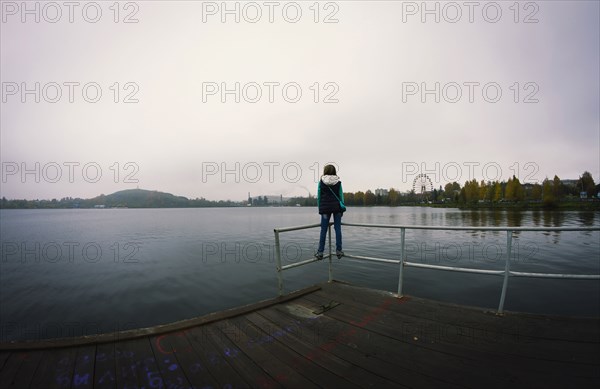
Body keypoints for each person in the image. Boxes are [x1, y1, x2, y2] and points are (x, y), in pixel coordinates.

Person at [315, 164, 345, 260]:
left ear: (325, 171)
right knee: (338, 229)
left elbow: (319, 196)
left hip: (325, 208)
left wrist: (320, 208)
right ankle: (339, 251)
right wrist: (342, 207)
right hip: (337, 207)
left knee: (323, 230)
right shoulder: (338, 182)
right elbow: (341, 196)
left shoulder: (321, 182)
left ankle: (320, 252)